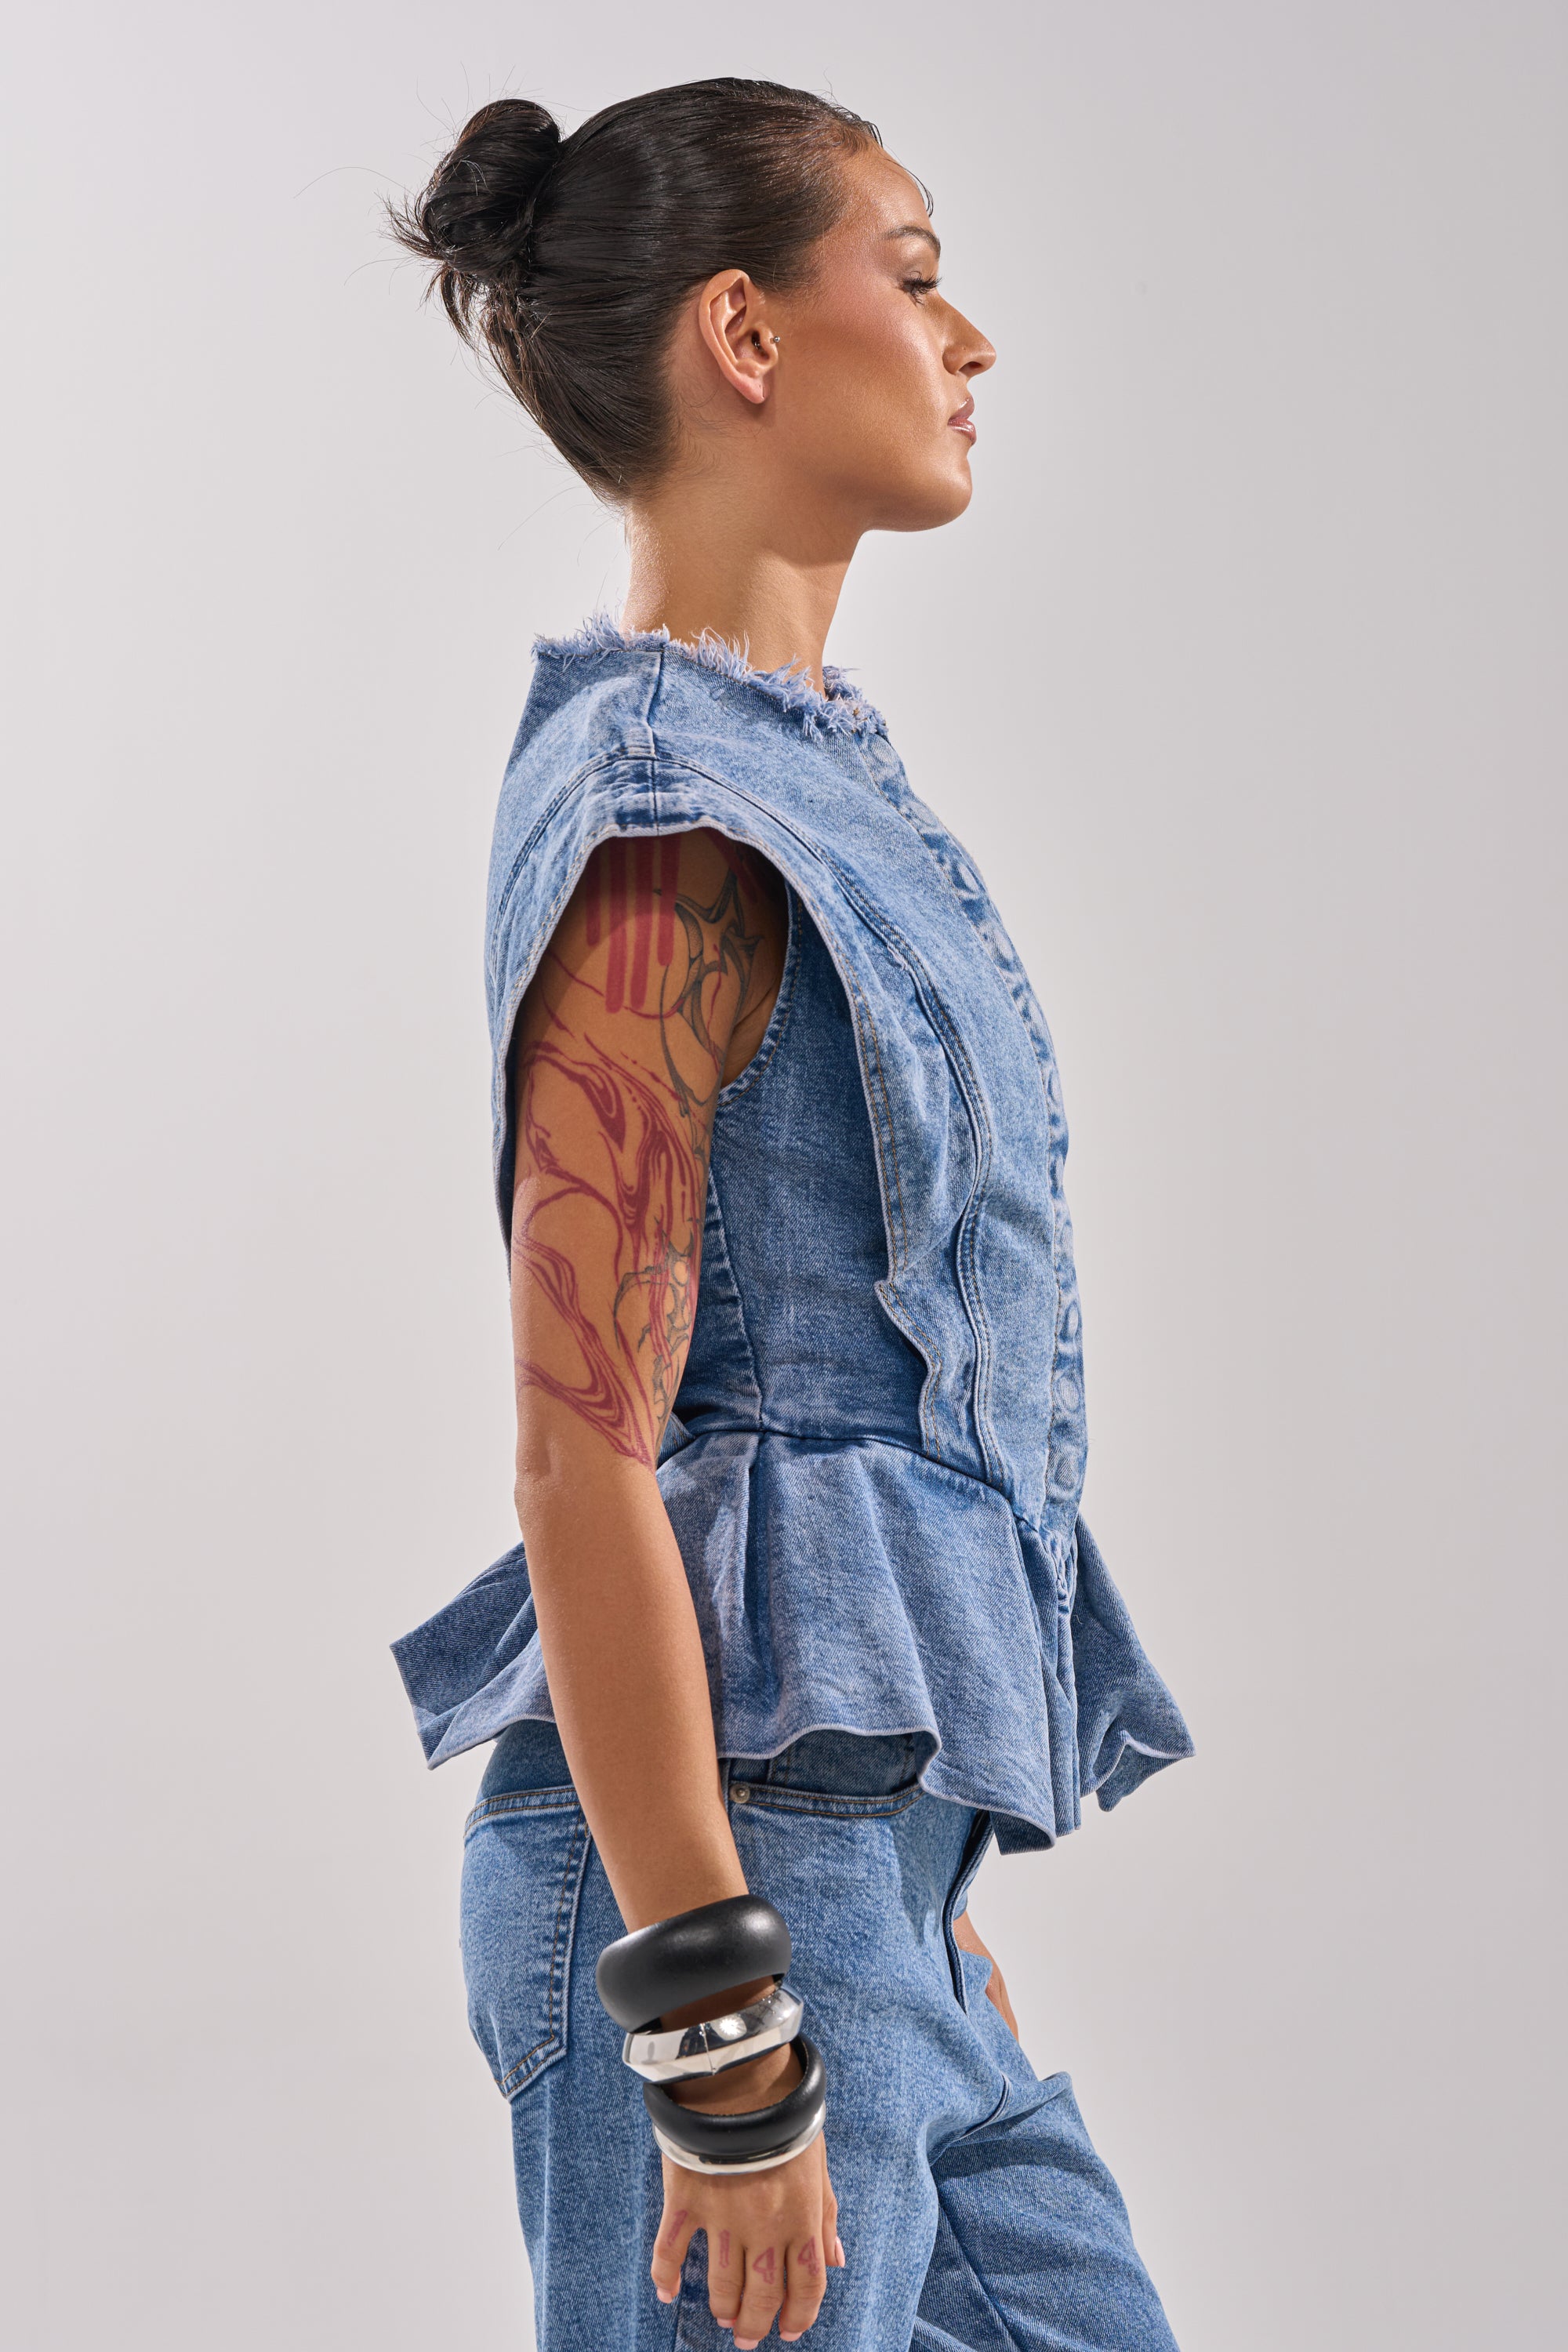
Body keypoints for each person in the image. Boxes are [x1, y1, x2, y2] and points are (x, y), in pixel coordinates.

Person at [389, 76, 1193, 2352]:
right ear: (744, 335)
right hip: (718, 1918)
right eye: (915, 276)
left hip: (868, 1898)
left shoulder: (810, 781)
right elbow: (582, 1453)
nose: (970, 339)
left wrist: (909, 1892)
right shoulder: (673, 821)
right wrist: (726, 2030)